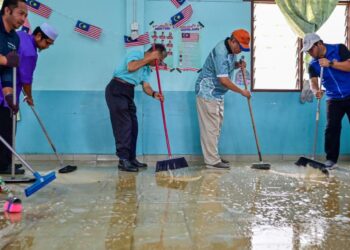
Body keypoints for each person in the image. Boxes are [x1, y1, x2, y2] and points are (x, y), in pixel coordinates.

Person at [195, 29, 251, 169]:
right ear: (233, 41)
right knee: (210, 128)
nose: (240, 51)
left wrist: (238, 65)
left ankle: (214, 156)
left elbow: (226, 67)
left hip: (217, 94)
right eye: (240, 47)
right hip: (208, 92)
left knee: (216, 127)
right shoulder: (221, 52)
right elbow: (224, 80)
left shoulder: (231, 51)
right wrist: (242, 91)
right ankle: (212, 161)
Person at [105, 44, 166, 172]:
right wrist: (148, 59)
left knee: (133, 126)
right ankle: (123, 160)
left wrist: (154, 93)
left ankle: (131, 158)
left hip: (128, 91)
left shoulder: (146, 69)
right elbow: (131, 67)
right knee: (124, 126)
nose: (159, 64)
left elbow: (146, 86)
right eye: (160, 60)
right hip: (117, 88)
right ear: (154, 54)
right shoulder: (136, 54)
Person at [302, 33, 350, 169]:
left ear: (319, 44)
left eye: (311, 49)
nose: (310, 53)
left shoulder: (339, 49)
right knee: (331, 128)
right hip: (333, 98)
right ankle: (331, 160)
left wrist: (331, 64)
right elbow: (313, 82)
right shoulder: (313, 65)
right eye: (307, 51)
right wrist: (316, 90)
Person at [0, 0, 27, 175]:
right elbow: (6, 62)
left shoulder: (14, 38)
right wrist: (5, 60)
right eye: (21, 13)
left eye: (26, 16)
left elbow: (7, 73)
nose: (23, 19)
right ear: (7, 10)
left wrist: (9, 97)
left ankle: (3, 165)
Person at [17, 23, 58, 107]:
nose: (47, 47)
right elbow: (26, 80)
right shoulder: (30, 53)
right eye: (47, 43)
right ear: (39, 35)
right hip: (5, 94)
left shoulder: (20, 34)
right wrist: (29, 97)